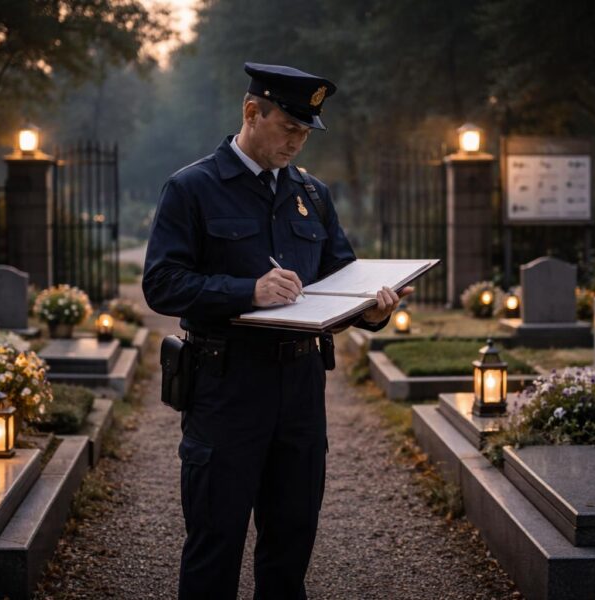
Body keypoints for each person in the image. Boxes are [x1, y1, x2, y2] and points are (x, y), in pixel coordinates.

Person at [142, 62, 412, 600]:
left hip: (301, 386)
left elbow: (343, 278)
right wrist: (247, 291)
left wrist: (374, 310)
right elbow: (162, 284)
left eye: (305, 133)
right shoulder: (192, 188)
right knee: (214, 544)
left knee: (291, 544)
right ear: (251, 112)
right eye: (288, 128)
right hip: (226, 387)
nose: (297, 142)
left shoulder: (313, 194)